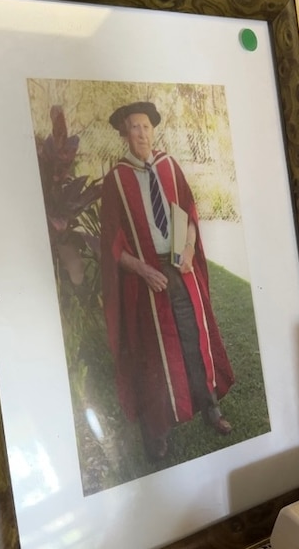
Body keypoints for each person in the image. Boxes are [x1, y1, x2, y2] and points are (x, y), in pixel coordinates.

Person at [100, 101, 235, 461]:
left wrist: (189, 248)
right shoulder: (116, 180)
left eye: (145, 126)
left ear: (153, 129)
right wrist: (142, 270)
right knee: (153, 355)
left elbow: (188, 213)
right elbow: (112, 243)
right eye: (133, 127)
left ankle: (210, 407)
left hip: (180, 266)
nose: (141, 133)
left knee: (195, 339)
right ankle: (157, 431)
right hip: (145, 276)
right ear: (124, 133)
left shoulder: (170, 167)